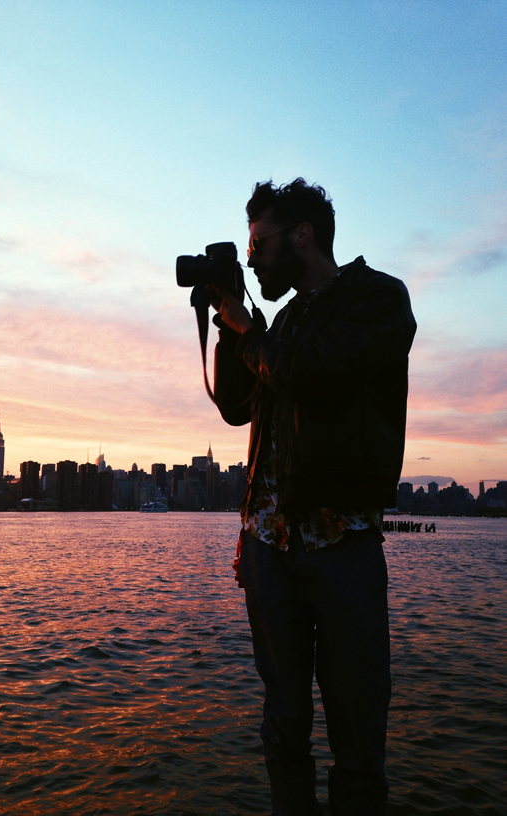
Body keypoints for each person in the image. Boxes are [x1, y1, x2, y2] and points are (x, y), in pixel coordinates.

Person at [210, 178, 416, 816]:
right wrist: (228, 326)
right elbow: (237, 408)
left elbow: (311, 374)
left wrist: (251, 331)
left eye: (259, 245)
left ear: (302, 235)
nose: (252, 259)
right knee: (283, 727)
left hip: (341, 545)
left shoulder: (376, 298)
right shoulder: (284, 322)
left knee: (356, 734)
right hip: (269, 551)